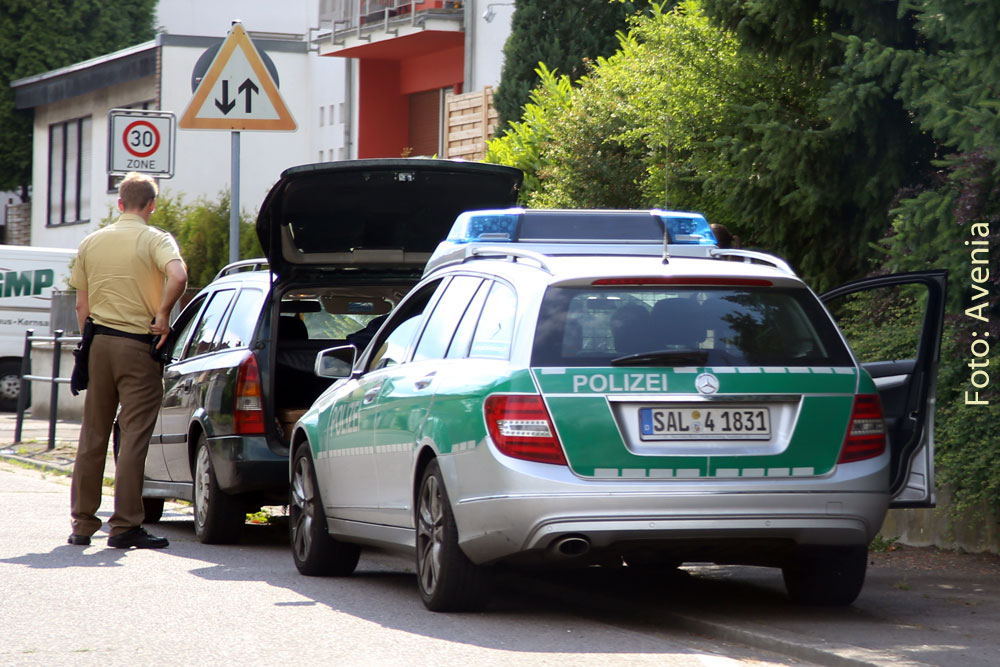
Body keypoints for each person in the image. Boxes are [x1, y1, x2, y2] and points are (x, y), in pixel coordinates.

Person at [67, 172, 187, 549]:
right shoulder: (155, 239)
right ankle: (124, 526)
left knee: (93, 434)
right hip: (138, 347)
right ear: (152, 205)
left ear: (119, 204)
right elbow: (178, 275)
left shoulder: (91, 242)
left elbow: (81, 305)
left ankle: (82, 524)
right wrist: (164, 313)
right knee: (133, 436)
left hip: (98, 343)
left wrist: (90, 344)